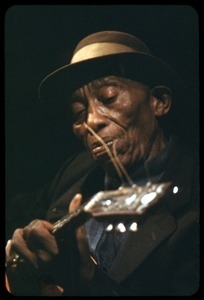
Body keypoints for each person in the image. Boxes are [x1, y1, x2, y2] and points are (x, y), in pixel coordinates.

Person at [5, 31, 199, 296]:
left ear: (159, 102)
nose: (91, 121)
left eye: (108, 98)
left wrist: (87, 281)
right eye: (78, 113)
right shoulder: (77, 170)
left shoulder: (192, 203)